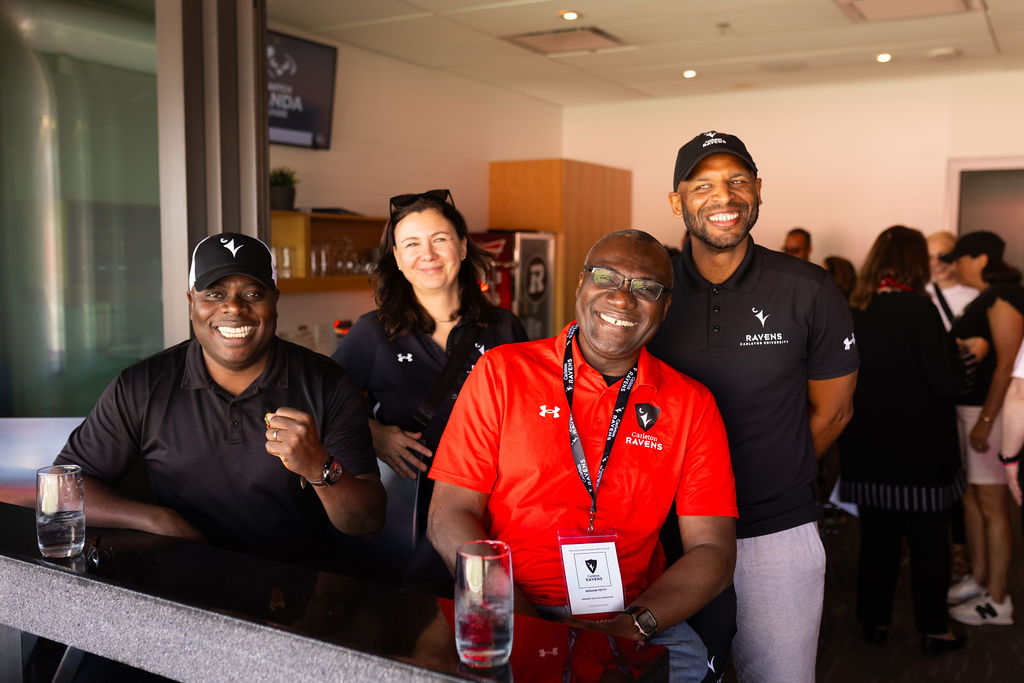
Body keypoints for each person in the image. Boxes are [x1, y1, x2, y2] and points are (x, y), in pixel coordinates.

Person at [427, 230, 738, 682]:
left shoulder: (691, 404)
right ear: (580, 285)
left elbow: (714, 551)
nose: (623, 298)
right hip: (510, 605)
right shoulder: (503, 372)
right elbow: (448, 516)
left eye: (646, 288)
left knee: (685, 667)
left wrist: (629, 626)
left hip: (634, 617)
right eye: (607, 277)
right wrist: (525, 619)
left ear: (665, 307)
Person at [646, 130, 859, 682]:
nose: (725, 196)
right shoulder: (651, 289)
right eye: (704, 184)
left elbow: (833, 411)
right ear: (677, 201)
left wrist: (775, 471)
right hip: (662, 532)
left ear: (759, 191)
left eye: (738, 181)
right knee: (675, 675)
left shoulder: (809, 289)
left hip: (775, 532)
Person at [55, 233, 386, 565]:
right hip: (181, 587)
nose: (233, 308)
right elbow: (63, 489)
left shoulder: (327, 384)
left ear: (275, 301)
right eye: (214, 294)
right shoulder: (142, 385)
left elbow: (367, 522)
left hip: (297, 591)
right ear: (191, 303)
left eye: (253, 294)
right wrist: (158, 521)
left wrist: (319, 465)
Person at [331, 188, 527, 588]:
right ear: (398, 261)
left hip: (491, 502)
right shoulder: (371, 332)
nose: (428, 254)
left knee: (487, 603)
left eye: (439, 239)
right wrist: (374, 434)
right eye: (412, 244)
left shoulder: (505, 327)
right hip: (408, 511)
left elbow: (528, 411)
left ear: (463, 246)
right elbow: (325, 407)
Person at [838, 226, 968, 654]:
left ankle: (873, 623)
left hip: (868, 447)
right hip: (922, 451)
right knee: (930, 543)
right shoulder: (920, 310)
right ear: (915, 262)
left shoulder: (854, 309)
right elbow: (946, 382)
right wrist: (968, 356)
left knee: (877, 541)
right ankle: (934, 629)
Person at [943, 231, 1021, 626]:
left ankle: (998, 599)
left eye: (962, 258)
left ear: (983, 259)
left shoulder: (1004, 296)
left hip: (986, 415)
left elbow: (1007, 367)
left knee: (992, 507)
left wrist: (987, 423)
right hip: (970, 411)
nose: (955, 266)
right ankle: (980, 578)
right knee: (973, 501)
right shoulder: (987, 297)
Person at [927, 231, 979, 331]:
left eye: (943, 256)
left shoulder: (975, 294)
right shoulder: (919, 293)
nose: (936, 262)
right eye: (930, 258)